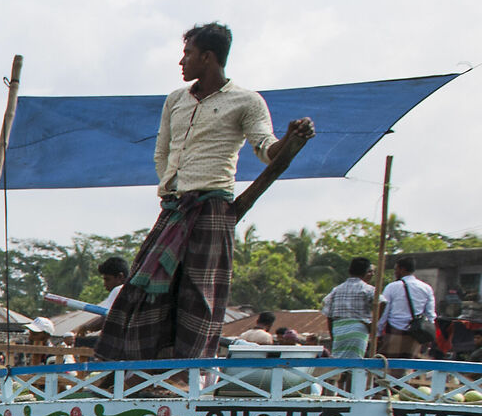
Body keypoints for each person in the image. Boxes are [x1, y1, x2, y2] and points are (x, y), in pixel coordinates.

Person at [98, 24, 314, 362]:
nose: (182, 61)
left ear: (207, 57)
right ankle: (139, 368)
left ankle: (187, 372)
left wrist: (291, 137)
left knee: (199, 294)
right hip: (174, 207)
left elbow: (267, 150)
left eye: (187, 54)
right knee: (142, 286)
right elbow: (162, 152)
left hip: (213, 205)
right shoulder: (176, 100)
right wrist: (171, 190)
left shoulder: (247, 101)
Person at [69, 257, 130, 356]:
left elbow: (106, 318)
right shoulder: (137, 289)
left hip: (121, 349)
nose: (105, 284)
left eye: (107, 280)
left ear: (120, 277)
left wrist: (84, 328)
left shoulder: (119, 290)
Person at [379, 258, 437, 360]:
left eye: (396, 269)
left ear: (402, 269)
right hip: (415, 333)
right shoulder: (426, 288)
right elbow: (430, 315)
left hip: (394, 331)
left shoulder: (392, 287)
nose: (395, 272)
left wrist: (378, 332)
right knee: (407, 368)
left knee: (388, 366)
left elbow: (384, 312)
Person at [322, 259, 375, 357]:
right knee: (355, 363)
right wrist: (376, 323)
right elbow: (382, 302)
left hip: (338, 329)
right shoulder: (367, 288)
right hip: (358, 328)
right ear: (365, 272)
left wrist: (332, 334)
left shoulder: (336, 289)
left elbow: (328, 315)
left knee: (339, 363)